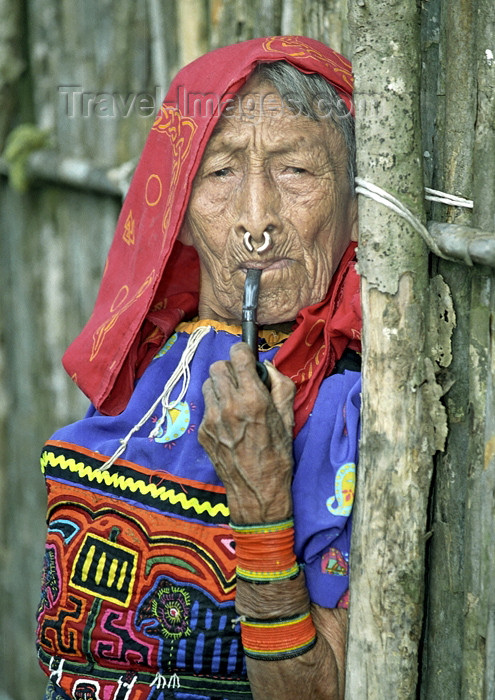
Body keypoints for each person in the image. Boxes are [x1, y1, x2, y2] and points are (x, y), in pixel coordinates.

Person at [37, 36, 361, 700]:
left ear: (353, 209)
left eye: (295, 171)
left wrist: (262, 506)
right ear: (176, 211)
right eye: (220, 173)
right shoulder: (142, 369)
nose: (255, 220)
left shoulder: (341, 411)